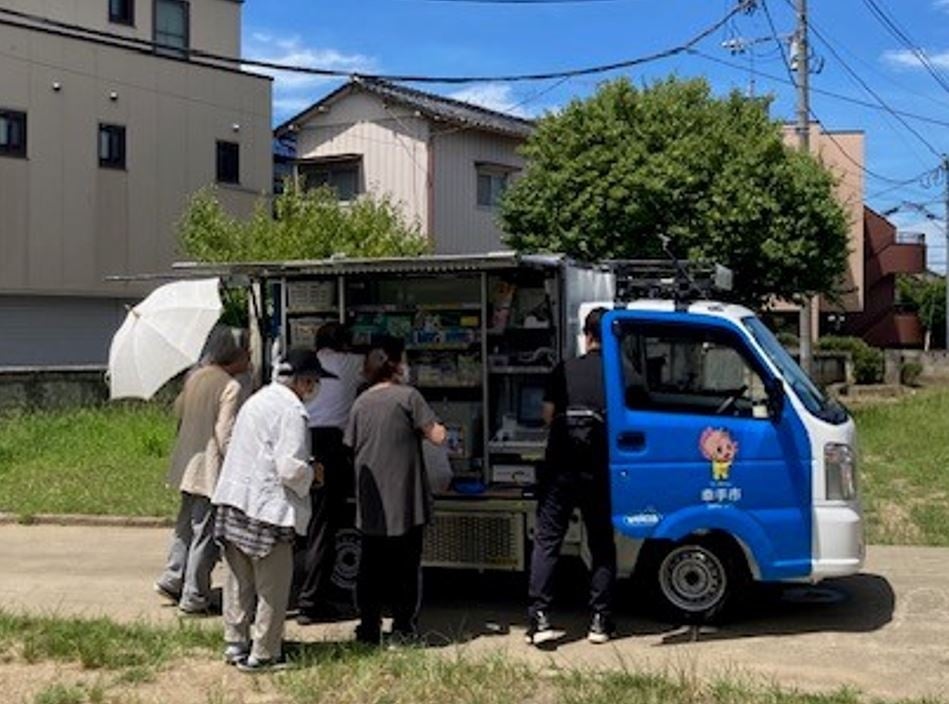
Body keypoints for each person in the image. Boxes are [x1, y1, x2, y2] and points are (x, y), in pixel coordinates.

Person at [211, 348, 336, 672]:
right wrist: (314, 474)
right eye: (313, 382)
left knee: (238, 583)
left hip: (234, 500)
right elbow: (289, 467)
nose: (314, 389)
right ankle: (264, 654)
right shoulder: (292, 411)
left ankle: (235, 643)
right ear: (303, 381)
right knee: (273, 586)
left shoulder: (258, 399)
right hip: (268, 510)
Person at [344, 343, 447, 646]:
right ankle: (403, 629)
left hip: (371, 500)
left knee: (371, 566)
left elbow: (349, 444)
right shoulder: (409, 397)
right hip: (406, 499)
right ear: (395, 367)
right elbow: (438, 436)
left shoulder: (360, 403)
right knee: (406, 566)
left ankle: (368, 629)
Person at [526, 307, 617, 645]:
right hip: (599, 469)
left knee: (548, 539)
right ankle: (600, 620)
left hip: (560, 469)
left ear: (586, 335)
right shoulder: (619, 373)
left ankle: (540, 618)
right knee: (601, 544)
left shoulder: (564, 369)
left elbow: (548, 416)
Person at [154, 325, 250, 615]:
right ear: (237, 354)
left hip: (186, 462)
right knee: (206, 532)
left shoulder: (195, 377)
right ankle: (195, 596)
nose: (251, 358)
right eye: (248, 352)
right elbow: (225, 434)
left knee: (184, 527)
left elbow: (180, 415)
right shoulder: (230, 386)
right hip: (210, 468)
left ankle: (173, 577)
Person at [295, 322, 365, 625]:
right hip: (330, 448)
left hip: (300, 440)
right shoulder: (350, 362)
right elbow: (377, 368)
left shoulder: (304, 363)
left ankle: (287, 593)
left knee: (301, 523)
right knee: (324, 526)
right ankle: (313, 603)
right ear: (345, 345)